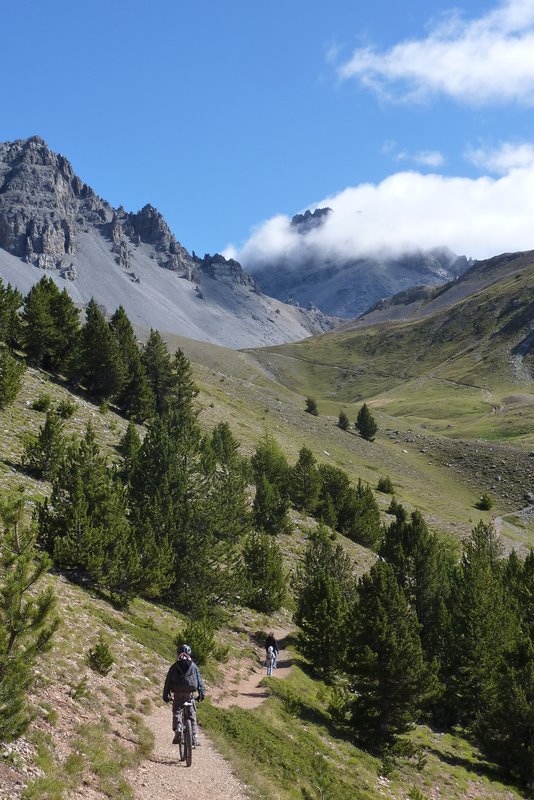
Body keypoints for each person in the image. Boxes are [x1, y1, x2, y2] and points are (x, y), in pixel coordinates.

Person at [163, 644, 205, 747]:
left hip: (177, 693)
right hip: (189, 694)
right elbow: (199, 681)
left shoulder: (174, 666)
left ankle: (178, 729)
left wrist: (165, 695)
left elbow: (167, 682)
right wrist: (201, 694)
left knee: (177, 710)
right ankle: (194, 737)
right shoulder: (194, 666)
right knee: (192, 715)